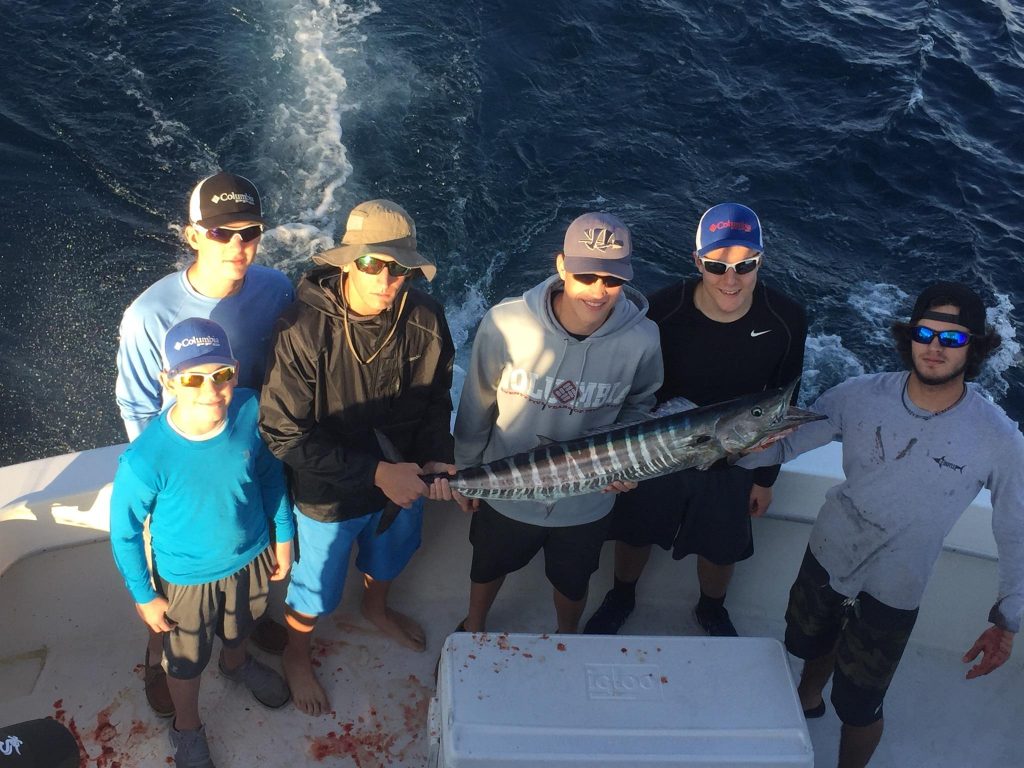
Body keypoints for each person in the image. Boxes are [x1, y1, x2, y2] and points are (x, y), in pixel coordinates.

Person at [737, 281, 1022, 768]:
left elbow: (1015, 528)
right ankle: (808, 698)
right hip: (828, 555)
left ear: (974, 347)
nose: (934, 347)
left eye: (951, 339)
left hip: (896, 588)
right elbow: (783, 445)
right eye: (924, 333)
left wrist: (1008, 619)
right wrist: (730, 445)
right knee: (806, 644)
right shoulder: (856, 396)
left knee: (859, 705)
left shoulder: (999, 438)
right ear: (907, 336)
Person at [258, 199, 457, 716]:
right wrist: (375, 472)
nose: (387, 279)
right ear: (348, 261)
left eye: (401, 268)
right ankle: (297, 655)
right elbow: (282, 432)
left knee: (388, 557)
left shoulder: (428, 319)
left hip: (406, 481)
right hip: (328, 494)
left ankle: (376, 608)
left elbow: (436, 400)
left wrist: (438, 458)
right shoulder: (300, 329)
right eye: (373, 264)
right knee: (314, 591)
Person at [114, 171, 294, 718]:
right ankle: (156, 658)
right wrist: (169, 481)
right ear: (193, 235)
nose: (237, 245)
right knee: (174, 608)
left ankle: (237, 650)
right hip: (182, 474)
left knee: (248, 581)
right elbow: (137, 404)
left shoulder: (277, 287)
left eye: (249, 232)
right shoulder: (148, 315)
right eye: (221, 233)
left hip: (250, 449)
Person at [584, 202, 807, 637]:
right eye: (715, 265)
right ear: (696, 261)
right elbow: (628, 384)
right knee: (635, 530)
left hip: (737, 453)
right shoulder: (663, 310)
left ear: (761, 261)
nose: (731, 279)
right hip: (658, 448)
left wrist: (766, 477)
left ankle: (712, 607)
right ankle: (621, 594)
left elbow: (785, 397)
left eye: (746, 266)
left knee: (722, 547)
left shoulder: (787, 319)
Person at [454, 212, 663, 636]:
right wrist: (465, 472)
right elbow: (477, 403)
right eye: (586, 276)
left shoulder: (644, 339)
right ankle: (473, 627)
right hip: (505, 488)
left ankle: (568, 638)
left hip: (587, 502)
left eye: (613, 279)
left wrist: (628, 467)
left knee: (573, 582)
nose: (599, 291)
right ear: (562, 266)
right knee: (487, 567)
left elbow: (640, 407)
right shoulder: (505, 323)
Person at [110, 318, 295, 768]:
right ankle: (186, 728)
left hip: (251, 557)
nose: (209, 388)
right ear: (168, 380)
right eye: (192, 377)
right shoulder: (145, 457)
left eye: (221, 374)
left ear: (235, 369)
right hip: (185, 580)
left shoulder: (251, 410)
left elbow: (271, 477)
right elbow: (125, 531)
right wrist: (143, 595)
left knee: (242, 626)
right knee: (186, 661)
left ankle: (236, 665)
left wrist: (284, 535)